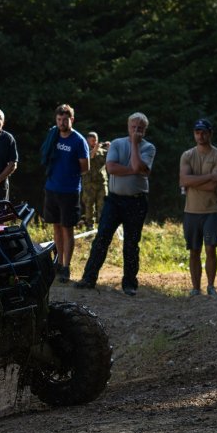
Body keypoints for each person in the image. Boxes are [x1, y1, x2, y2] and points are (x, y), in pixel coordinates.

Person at [75, 112, 156, 296]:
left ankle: (129, 284)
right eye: (133, 127)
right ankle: (88, 278)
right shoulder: (117, 144)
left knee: (131, 243)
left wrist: (134, 145)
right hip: (114, 200)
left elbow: (139, 167)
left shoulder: (149, 148)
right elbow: (111, 168)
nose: (136, 131)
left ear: (145, 130)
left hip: (137, 201)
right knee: (102, 238)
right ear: (128, 127)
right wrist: (134, 170)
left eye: (140, 128)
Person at [40, 105, 90, 283]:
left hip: (69, 191)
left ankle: (67, 266)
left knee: (67, 228)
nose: (62, 123)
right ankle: (59, 263)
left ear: (72, 120)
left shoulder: (78, 140)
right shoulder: (53, 135)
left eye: (65, 119)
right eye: (59, 119)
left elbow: (85, 167)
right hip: (51, 188)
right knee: (56, 226)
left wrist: (69, 174)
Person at [179, 118, 217, 296]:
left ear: (210, 133)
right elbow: (183, 180)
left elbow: (213, 186)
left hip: (212, 210)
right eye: (197, 132)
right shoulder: (187, 155)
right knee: (194, 250)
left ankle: (211, 286)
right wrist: (209, 176)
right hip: (191, 210)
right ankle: (195, 288)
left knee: (210, 248)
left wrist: (192, 182)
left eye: (204, 132)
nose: (200, 136)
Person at [81, 131, 109, 230]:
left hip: (102, 182)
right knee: (89, 205)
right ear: (87, 141)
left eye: (96, 140)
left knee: (103, 204)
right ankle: (90, 225)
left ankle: (103, 224)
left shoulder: (102, 151)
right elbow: (90, 157)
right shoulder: (84, 150)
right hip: (89, 183)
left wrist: (110, 149)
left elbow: (112, 159)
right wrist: (95, 149)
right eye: (92, 140)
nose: (95, 142)